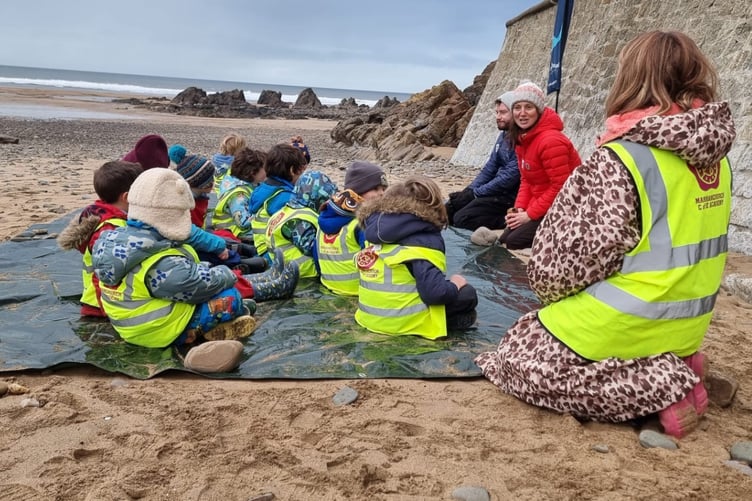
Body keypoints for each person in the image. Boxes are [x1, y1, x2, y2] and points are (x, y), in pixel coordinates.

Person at [475, 31, 736, 439]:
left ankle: (661, 385)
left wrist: (549, 294)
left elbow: (570, 265)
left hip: (632, 318)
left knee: (515, 356)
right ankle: (681, 363)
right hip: (688, 321)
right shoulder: (716, 159)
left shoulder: (625, 157)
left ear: (631, 80)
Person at [91, 168, 256, 373]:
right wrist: (226, 273)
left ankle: (216, 324)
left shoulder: (115, 240)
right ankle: (193, 336)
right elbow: (195, 285)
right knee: (231, 297)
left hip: (128, 326)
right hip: (159, 331)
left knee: (222, 295)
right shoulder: (159, 261)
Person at [355, 175, 479, 339]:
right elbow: (435, 293)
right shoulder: (423, 241)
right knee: (467, 295)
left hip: (368, 318)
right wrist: (456, 285)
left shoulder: (374, 232)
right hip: (403, 325)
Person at [497, 80, 581, 249]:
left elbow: (561, 186)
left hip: (568, 205)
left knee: (514, 241)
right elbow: (527, 179)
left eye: (528, 107)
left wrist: (529, 215)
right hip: (542, 201)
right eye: (517, 107)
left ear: (539, 110)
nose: (522, 113)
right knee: (506, 238)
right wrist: (519, 209)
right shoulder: (523, 138)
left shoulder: (550, 140)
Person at [57, 160, 143, 317]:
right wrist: (109, 310)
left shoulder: (100, 214)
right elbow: (103, 272)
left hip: (103, 299)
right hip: (100, 305)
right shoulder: (110, 229)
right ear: (127, 197)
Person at [446, 92, 519, 231]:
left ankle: (505, 220)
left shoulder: (521, 140)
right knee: (449, 209)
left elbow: (510, 176)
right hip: (496, 190)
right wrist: (469, 190)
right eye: (497, 112)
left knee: (462, 219)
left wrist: (476, 194)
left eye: (503, 112)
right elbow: (490, 167)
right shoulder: (503, 136)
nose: (498, 117)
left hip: (509, 195)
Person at [316, 160, 388, 296]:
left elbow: (317, 259)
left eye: (384, 189)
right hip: (356, 295)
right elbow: (375, 265)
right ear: (357, 192)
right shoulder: (361, 225)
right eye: (375, 189)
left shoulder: (322, 218)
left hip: (328, 291)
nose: (382, 194)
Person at [266, 171, 338, 279]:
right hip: (304, 278)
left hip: (287, 272)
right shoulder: (298, 220)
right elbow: (316, 249)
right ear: (317, 197)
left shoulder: (286, 212)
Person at [249, 143, 308, 261]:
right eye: (301, 171)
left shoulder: (261, 189)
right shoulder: (285, 198)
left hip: (261, 248)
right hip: (274, 255)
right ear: (292, 170)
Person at [210, 147, 267, 241]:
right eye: (265, 169)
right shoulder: (238, 194)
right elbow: (243, 222)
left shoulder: (234, 180)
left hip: (236, 228)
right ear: (253, 173)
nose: (267, 172)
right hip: (233, 231)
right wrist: (265, 215)